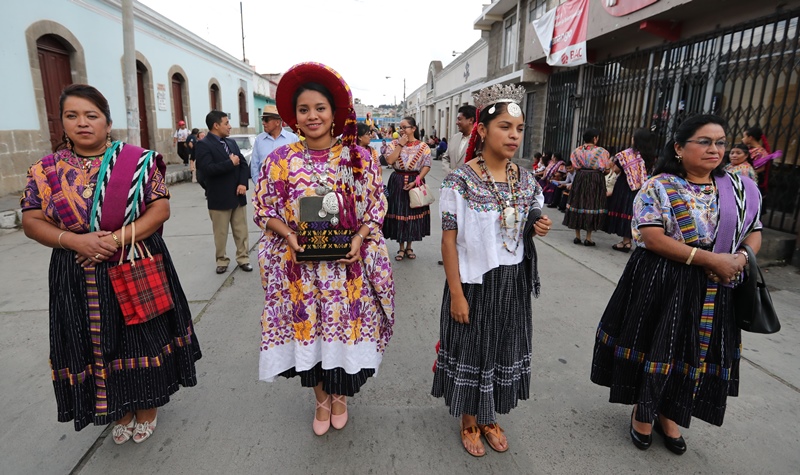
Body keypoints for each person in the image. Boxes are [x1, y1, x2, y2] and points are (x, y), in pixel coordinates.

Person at [20, 84, 201, 443]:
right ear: (63, 123)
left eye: (91, 115)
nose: (82, 123)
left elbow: (160, 207)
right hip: (76, 270)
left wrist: (113, 240)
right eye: (72, 116)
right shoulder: (45, 170)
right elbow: (31, 220)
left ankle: (146, 405)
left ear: (107, 121)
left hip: (133, 261)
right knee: (89, 340)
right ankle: (117, 407)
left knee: (140, 337)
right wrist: (76, 240)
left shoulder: (137, 161)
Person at [590, 114, 762, 455]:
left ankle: (669, 412)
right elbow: (652, 237)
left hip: (715, 287)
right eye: (705, 142)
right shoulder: (659, 186)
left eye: (721, 142)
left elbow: (755, 233)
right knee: (659, 344)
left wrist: (739, 260)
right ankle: (644, 408)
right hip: (664, 280)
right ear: (679, 148)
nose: (715, 149)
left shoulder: (738, 188)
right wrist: (712, 260)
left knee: (692, 352)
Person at [252, 62, 395, 436]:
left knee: (342, 335)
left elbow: (376, 205)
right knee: (310, 337)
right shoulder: (280, 160)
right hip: (299, 268)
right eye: (304, 110)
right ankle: (320, 399)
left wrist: (360, 238)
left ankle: (341, 397)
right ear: (294, 117)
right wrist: (289, 234)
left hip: (347, 272)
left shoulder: (358, 159)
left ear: (334, 113)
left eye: (319, 108)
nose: (312, 116)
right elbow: (263, 209)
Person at [432, 83, 553, 457]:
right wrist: (456, 294)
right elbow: (449, 241)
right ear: (482, 130)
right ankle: (469, 419)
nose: (513, 136)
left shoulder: (525, 178)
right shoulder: (460, 182)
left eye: (518, 129)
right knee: (473, 349)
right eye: (504, 126)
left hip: (512, 280)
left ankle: (488, 416)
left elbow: (527, 215)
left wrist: (537, 222)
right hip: (474, 282)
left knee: (502, 348)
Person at [195, 110, 253, 274]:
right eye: (226, 123)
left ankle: (243, 258)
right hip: (219, 197)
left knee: (241, 230)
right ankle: (221, 260)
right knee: (220, 233)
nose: (229, 126)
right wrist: (229, 163)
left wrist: (243, 183)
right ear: (216, 125)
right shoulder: (204, 145)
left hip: (238, 195)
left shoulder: (231, 143)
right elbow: (206, 170)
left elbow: (242, 164)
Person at [383, 116, 432, 261]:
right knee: (399, 212)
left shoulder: (423, 146)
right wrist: (400, 145)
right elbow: (390, 161)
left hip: (415, 180)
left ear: (413, 129)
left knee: (412, 212)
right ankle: (401, 247)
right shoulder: (393, 144)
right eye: (400, 128)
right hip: (397, 180)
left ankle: (409, 246)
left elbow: (427, 165)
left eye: (405, 127)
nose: (402, 130)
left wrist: (417, 181)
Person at [604, 128, 656, 252]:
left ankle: (625, 242)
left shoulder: (627, 154)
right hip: (642, 188)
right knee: (633, 213)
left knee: (624, 210)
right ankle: (629, 240)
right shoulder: (651, 155)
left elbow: (616, 170)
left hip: (625, 186)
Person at [564, 128, 610, 246]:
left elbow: (575, 167)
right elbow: (606, 169)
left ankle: (577, 236)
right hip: (595, 179)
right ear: (594, 138)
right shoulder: (603, 152)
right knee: (591, 204)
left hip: (580, 178)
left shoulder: (576, 152)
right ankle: (588, 238)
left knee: (578, 203)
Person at [250, 104, 299, 182]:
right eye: (262, 119)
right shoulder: (259, 140)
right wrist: (258, 185)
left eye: (266, 120)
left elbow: (297, 164)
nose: (263, 123)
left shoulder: (292, 139)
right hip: (264, 189)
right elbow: (254, 166)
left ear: (277, 122)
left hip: (287, 188)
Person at [442, 105, 477, 173]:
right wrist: (449, 172)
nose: (456, 122)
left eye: (459, 119)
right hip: (451, 180)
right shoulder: (454, 138)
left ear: (471, 120)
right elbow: (445, 158)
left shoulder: (479, 140)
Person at [741, 126, 773, 194]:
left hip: (751, 181)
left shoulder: (760, 152)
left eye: (744, 137)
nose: (742, 139)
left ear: (750, 138)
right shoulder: (749, 148)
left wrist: (747, 172)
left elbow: (761, 168)